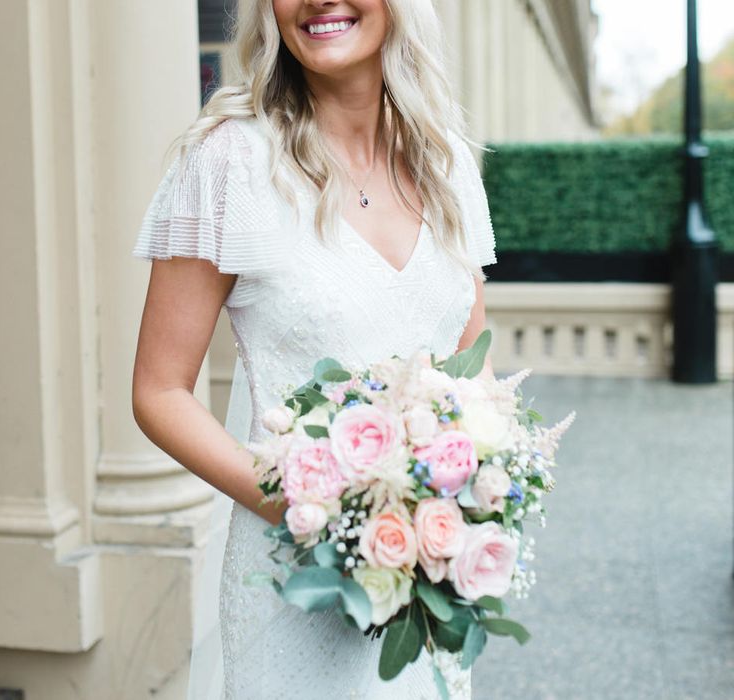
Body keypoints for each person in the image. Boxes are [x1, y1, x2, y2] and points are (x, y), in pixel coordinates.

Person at [131, 1, 497, 697]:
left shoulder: (444, 160)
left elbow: (469, 373)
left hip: (425, 579)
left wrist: (463, 506)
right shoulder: (229, 163)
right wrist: (317, 512)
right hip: (289, 583)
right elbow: (158, 392)